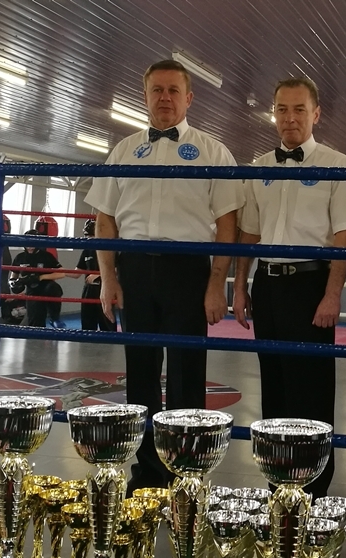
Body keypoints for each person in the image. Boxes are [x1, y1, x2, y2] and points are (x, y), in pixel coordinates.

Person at [86, 58, 243, 493]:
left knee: (187, 373)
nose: (165, 98)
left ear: (189, 98)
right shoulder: (123, 150)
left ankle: (186, 472)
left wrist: (217, 283)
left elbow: (227, 224)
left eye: (174, 90)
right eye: (157, 90)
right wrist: (108, 277)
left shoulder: (213, 152)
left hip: (188, 269)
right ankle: (149, 471)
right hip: (135, 268)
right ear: (145, 96)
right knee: (140, 371)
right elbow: (105, 219)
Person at [232, 76, 346, 500]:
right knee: (274, 387)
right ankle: (279, 486)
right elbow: (249, 233)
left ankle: (315, 491)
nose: (290, 118)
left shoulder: (337, 164)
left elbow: (345, 236)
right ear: (274, 114)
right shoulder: (259, 167)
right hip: (267, 285)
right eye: (282, 109)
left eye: (299, 109)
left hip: (311, 285)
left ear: (316, 114)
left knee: (312, 390)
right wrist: (239, 286)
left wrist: (332, 294)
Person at [11, 231, 65, 328]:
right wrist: (12, 282)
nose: (30, 247)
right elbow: (14, 274)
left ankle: (55, 317)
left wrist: (40, 277)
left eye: (33, 244)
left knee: (54, 287)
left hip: (46, 288)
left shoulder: (46, 256)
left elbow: (62, 273)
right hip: (32, 291)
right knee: (35, 323)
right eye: (28, 244)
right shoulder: (20, 257)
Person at [76, 219, 116, 332]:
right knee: (87, 323)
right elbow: (77, 272)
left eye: (91, 236)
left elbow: (116, 269)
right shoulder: (87, 250)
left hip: (104, 288)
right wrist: (57, 270)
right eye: (87, 236)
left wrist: (98, 275)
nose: (88, 239)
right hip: (89, 290)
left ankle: (110, 340)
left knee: (107, 323)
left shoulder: (108, 250)